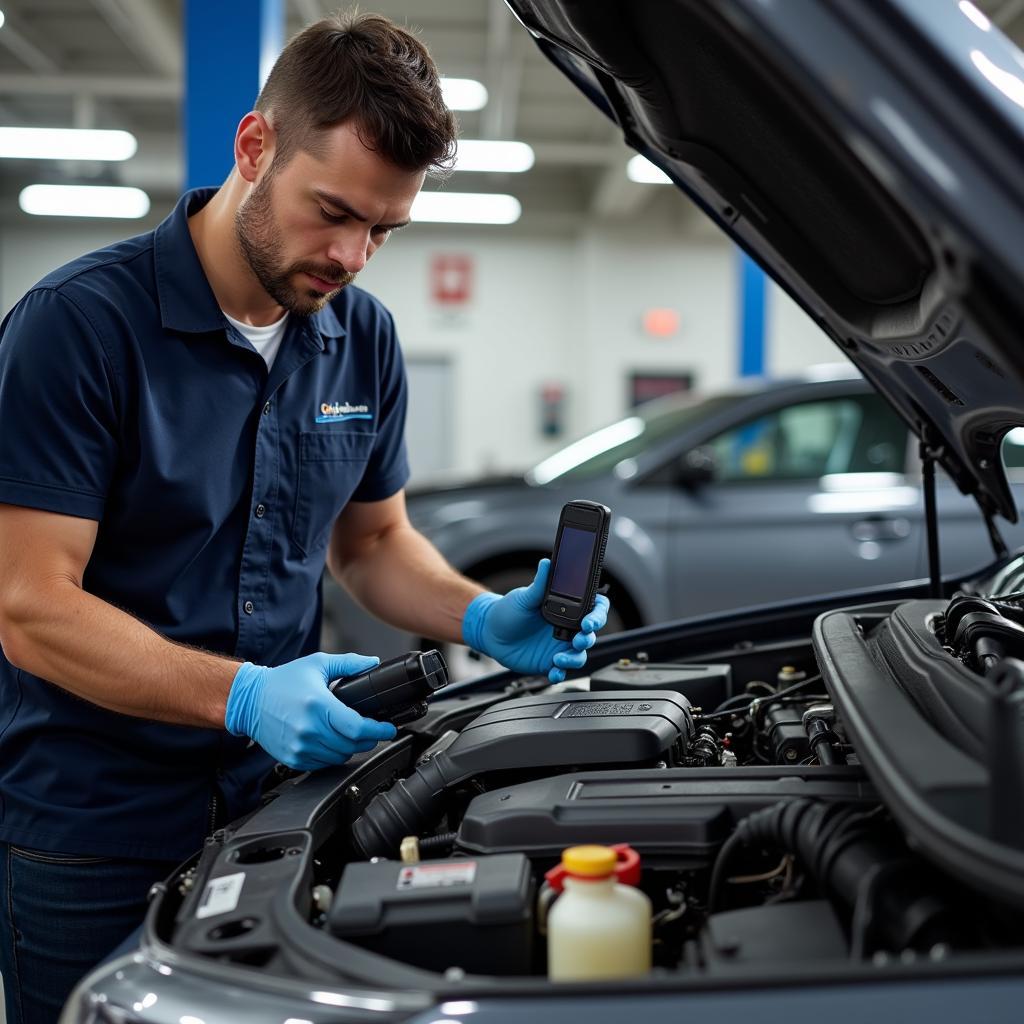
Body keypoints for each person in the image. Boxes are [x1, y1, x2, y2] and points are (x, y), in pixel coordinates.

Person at [0, 12, 609, 1022]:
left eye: (382, 228)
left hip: (279, 805)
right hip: (89, 825)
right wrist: (240, 694)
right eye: (333, 211)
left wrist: (481, 616)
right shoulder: (78, 331)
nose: (355, 255)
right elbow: (29, 606)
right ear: (254, 147)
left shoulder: (360, 338)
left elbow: (371, 544)